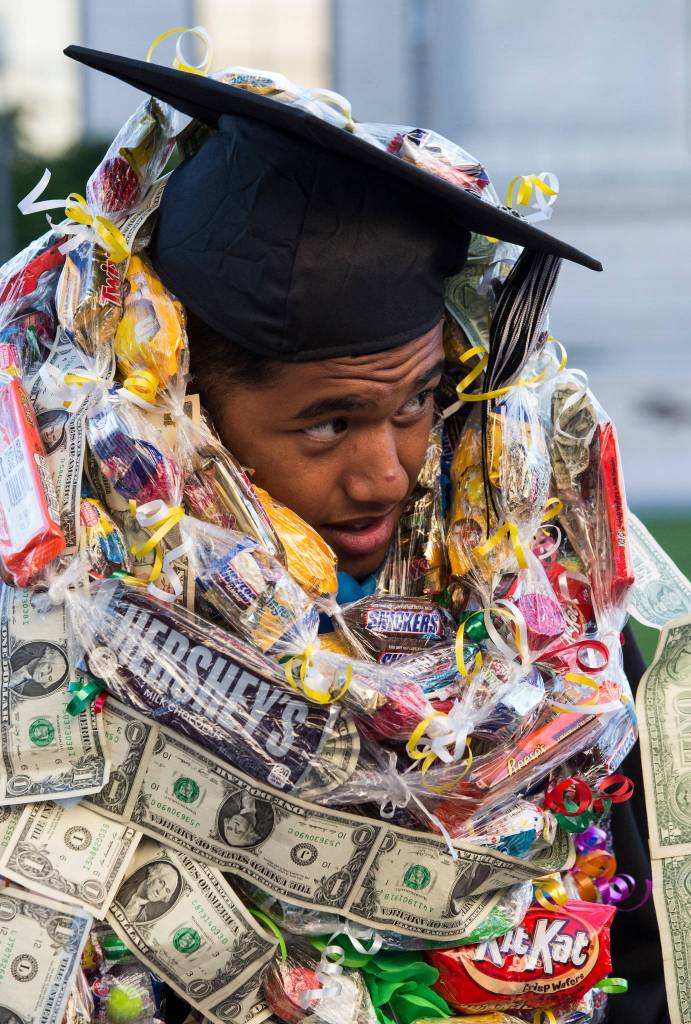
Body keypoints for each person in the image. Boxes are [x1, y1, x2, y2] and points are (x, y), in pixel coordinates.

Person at [64, 46, 670, 1024]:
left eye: (417, 401)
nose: (388, 468)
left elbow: (631, 956)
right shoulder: (83, 647)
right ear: (184, 410)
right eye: (329, 423)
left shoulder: (541, 630)